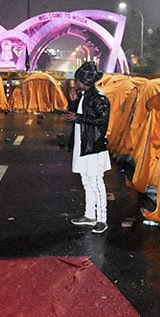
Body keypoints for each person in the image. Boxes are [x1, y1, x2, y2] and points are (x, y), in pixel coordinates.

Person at [62, 62, 111, 234]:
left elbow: (101, 120)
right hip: (83, 145)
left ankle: (102, 219)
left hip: (93, 147)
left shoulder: (99, 97)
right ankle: (90, 215)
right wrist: (74, 103)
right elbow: (80, 114)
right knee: (86, 181)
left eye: (77, 80)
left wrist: (79, 117)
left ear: (84, 81)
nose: (74, 82)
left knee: (96, 182)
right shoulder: (85, 95)